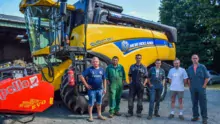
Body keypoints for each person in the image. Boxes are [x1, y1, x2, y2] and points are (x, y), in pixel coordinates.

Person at [79, 57, 107, 122]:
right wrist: (86, 85)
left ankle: (99, 115)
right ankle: (90, 116)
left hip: (100, 90)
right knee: (91, 104)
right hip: (92, 91)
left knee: (99, 103)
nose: (95, 63)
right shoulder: (89, 69)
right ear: (92, 63)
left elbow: (104, 79)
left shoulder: (101, 70)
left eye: (96, 61)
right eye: (94, 62)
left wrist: (104, 88)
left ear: (98, 62)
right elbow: (81, 76)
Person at [187, 54, 209, 124]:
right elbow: (189, 79)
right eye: (193, 58)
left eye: (196, 58)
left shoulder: (202, 67)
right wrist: (190, 87)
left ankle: (204, 118)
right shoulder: (189, 68)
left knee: (203, 103)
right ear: (191, 59)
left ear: (198, 59)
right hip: (193, 88)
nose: (195, 59)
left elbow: (207, 77)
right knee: (194, 103)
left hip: (201, 88)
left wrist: (204, 86)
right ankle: (195, 116)